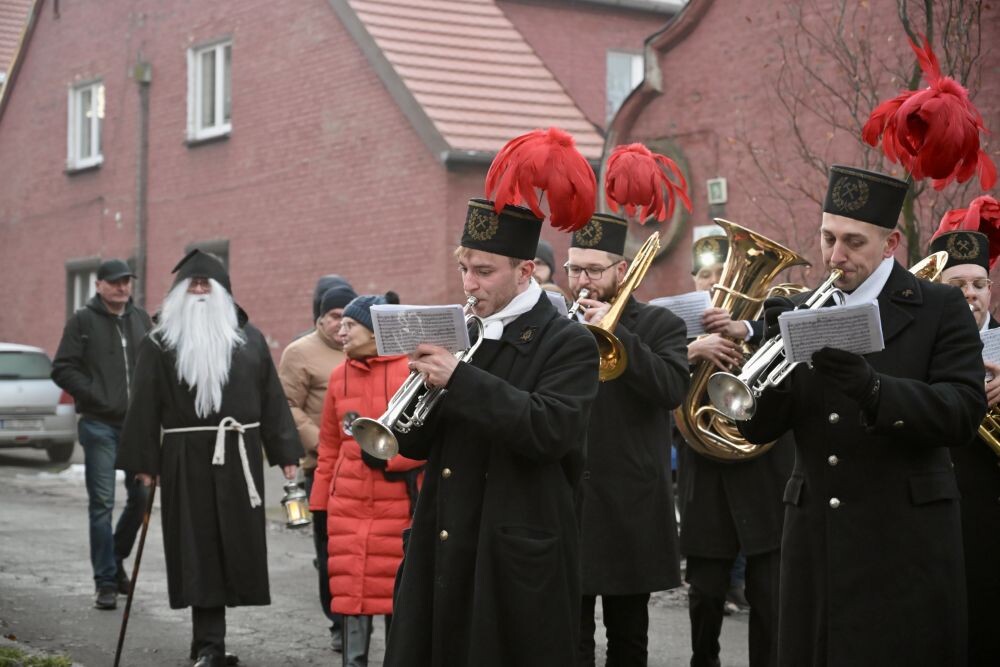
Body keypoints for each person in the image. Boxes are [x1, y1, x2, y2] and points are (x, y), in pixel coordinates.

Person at [738, 165, 987, 666]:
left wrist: (874, 389)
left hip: (904, 542)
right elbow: (759, 425)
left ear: (891, 242)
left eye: (853, 242)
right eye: (828, 237)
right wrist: (756, 387)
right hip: (818, 543)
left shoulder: (937, 306)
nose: (835, 256)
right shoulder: (800, 308)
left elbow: (962, 411)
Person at [383, 196, 601, 666]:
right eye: (464, 268)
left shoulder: (568, 340)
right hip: (445, 539)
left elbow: (550, 430)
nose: (468, 283)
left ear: (525, 271)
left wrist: (458, 379)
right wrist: (416, 393)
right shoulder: (465, 332)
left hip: (513, 553)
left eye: (483, 271)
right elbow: (420, 444)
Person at [116, 250, 303, 667]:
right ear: (179, 293)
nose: (199, 291)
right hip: (186, 458)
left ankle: (209, 643)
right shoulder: (160, 343)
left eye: (207, 285)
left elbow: (271, 398)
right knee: (197, 545)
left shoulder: (250, 339)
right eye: (192, 285)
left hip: (239, 457)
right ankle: (209, 646)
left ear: (223, 292)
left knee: (232, 546)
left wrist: (286, 452)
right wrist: (145, 463)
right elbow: (143, 403)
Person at [564, 212, 689, 665]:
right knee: (569, 639)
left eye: (594, 270)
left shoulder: (660, 326)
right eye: (574, 269)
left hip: (629, 504)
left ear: (622, 270)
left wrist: (618, 333)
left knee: (629, 639)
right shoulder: (560, 324)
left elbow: (671, 389)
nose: (582, 281)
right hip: (572, 500)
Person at [677, 235, 793, 667]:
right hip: (705, 474)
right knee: (705, 593)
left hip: (764, 474)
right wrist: (693, 350)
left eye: (722, 273)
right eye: (706, 275)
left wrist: (744, 330)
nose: (715, 283)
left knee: (769, 594)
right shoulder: (678, 325)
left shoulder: (773, 316)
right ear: (695, 282)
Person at [309, 292, 423, 667]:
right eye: (339, 324)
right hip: (348, 502)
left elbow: (427, 439)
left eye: (349, 325)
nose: (340, 331)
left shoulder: (411, 369)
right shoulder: (339, 375)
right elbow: (329, 444)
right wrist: (320, 504)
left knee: (395, 590)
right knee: (350, 589)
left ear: (374, 331)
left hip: (397, 501)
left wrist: (390, 461)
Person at [51, 258, 153, 610]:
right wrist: (95, 394)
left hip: (136, 426)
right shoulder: (82, 321)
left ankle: (115, 556)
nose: (122, 287)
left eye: (126, 281)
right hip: (98, 424)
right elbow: (62, 367)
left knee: (141, 496)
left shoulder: (141, 319)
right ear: (99, 285)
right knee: (102, 504)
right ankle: (105, 582)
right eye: (114, 282)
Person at [929, 195, 1000, 666]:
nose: (971, 294)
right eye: (957, 286)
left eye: (978, 284)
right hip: (941, 505)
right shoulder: (921, 347)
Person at [278, 282, 357, 650]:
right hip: (322, 466)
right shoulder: (299, 353)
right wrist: (322, 441)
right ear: (320, 319)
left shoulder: (363, 347)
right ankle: (338, 623)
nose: (341, 325)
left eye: (347, 317)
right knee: (330, 552)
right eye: (334, 317)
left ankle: (365, 618)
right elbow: (288, 406)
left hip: (365, 466)